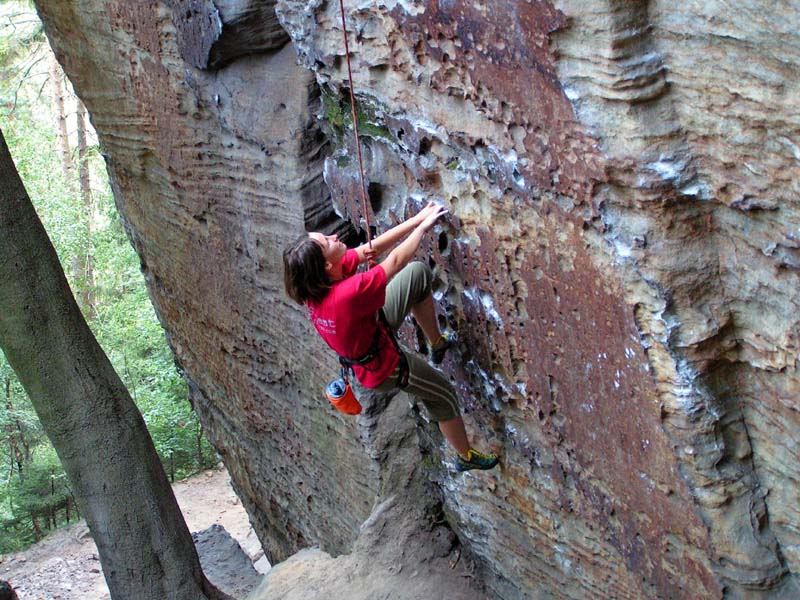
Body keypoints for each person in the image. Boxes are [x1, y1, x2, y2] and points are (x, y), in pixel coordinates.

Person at [283, 202, 498, 472]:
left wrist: (417, 218)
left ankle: (437, 343)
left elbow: (371, 249)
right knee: (443, 395)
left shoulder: (319, 286)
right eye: (327, 240)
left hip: (371, 329)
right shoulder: (346, 295)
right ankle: (465, 456)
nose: (334, 236)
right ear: (327, 264)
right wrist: (423, 227)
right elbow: (394, 261)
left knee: (417, 275)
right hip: (385, 366)